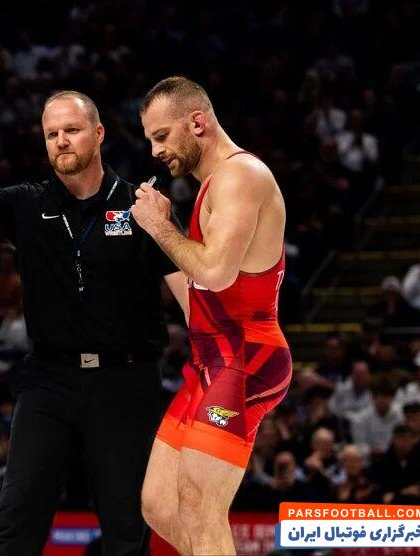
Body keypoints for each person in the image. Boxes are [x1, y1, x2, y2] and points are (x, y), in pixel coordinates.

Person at [0, 89, 185, 555]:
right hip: (48, 380)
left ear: (98, 133)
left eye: (72, 130)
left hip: (126, 380)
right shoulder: (27, 202)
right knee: (14, 523)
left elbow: (191, 297)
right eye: (51, 133)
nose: (61, 140)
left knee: (127, 529)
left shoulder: (143, 205)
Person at [131, 76, 292, 555]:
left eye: (162, 136)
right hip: (212, 361)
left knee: (201, 509)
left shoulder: (241, 175)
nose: (156, 151)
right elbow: (201, 290)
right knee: (160, 504)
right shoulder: (213, 186)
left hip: (245, 358)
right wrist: (154, 240)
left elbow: (216, 273)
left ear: (197, 122)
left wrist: (160, 227)